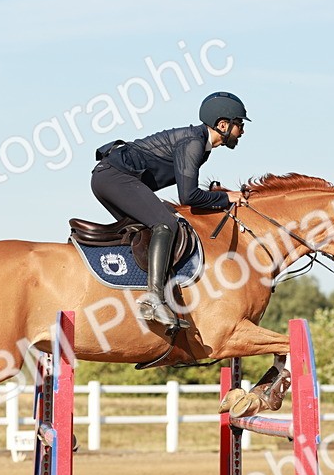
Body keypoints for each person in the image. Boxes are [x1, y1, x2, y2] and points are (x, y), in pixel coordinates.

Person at [90, 91, 250, 329]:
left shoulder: (200, 145)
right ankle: (153, 301)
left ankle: (140, 294)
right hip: (115, 177)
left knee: (156, 227)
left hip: (110, 178)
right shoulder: (194, 143)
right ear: (223, 125)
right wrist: (226, 198)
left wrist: (217, 195)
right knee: (166, 224)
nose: (242, 131)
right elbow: (188, 196)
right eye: (239, 124)